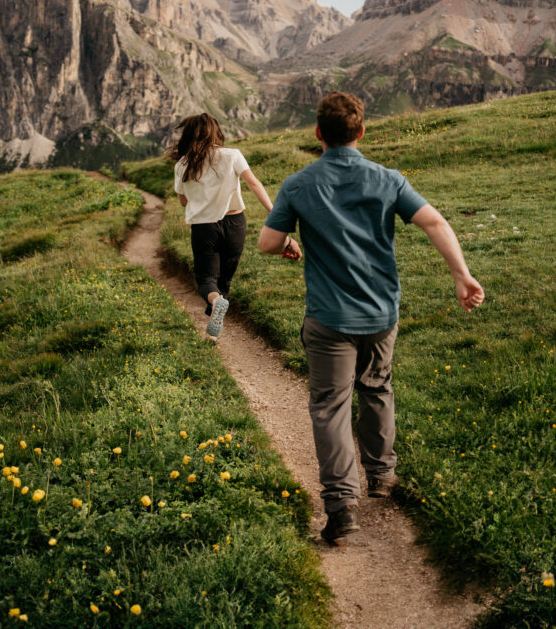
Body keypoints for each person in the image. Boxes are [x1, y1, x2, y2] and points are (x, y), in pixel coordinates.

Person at [258, 91, 484, 543]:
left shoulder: (298, 184)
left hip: (329, 319)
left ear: (318, 134)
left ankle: (342, 508)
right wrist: (462, 275)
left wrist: (288, 242)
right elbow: (435, 222)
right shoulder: (388, 179)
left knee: (330, 406)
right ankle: (383, 476)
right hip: (382, 312)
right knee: (377, 386)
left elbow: (267, 242)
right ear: (361, 132)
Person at [171, 113, 299, 338]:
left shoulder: (183, 164)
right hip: (235, 224)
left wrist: (202, 196)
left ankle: (216, 306)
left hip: (204, 228)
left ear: (188, 135)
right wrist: (276, 214)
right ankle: (216, 319)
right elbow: (254, 183)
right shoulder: (232, 155)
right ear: (215, 132)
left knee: (206, 279)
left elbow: (183, 201)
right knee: (225, 279)